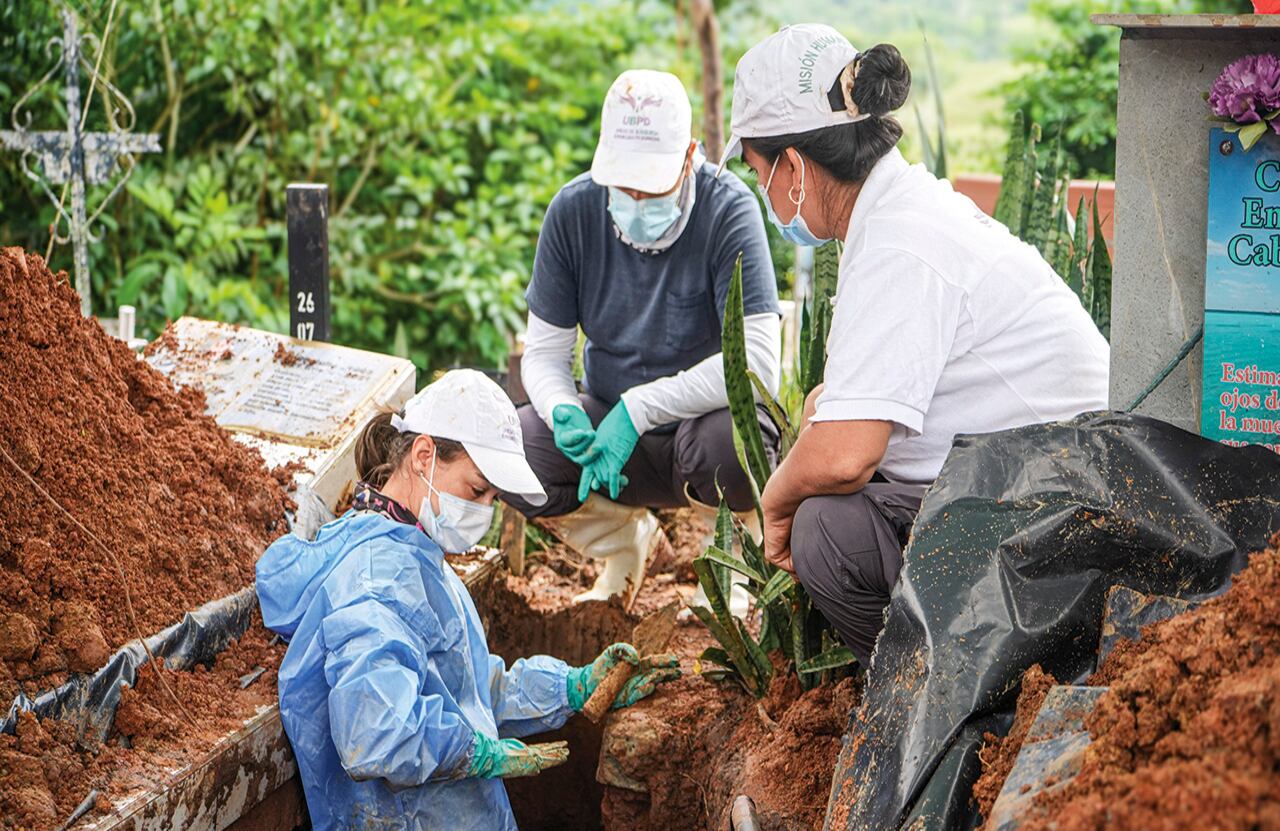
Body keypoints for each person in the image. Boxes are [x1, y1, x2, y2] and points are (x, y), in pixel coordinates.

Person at [718, 24, 1110, 666]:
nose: (767, 194)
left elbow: (847, 458)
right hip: (1041, 483)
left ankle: (939, 692)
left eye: (760, 172)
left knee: (825, 530)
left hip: (1061, 516)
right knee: (826, 435)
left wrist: (775, 503)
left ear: (793, 166)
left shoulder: (899, 240)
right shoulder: (901, 210)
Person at [255, 369, 681, 830]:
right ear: (424, 456)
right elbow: (375, 733)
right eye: (477, 490)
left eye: (494, 498)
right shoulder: (376, 581)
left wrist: (574, 688)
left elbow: (471, 691)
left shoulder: (417, 554)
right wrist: (473, 751)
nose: (484, 511)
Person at [503, 68, 782, 609]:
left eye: (650, 188)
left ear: (690, 157)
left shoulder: (729, 210)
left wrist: (641, 408)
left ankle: (724, 559)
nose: (634, 199)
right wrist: (563, 409)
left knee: (731, 445)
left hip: (699, 434)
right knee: (515, 447)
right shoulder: (573, 211)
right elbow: (544, 353)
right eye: (622, 185)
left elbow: (758, 365)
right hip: (607, 430)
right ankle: (625, 545)